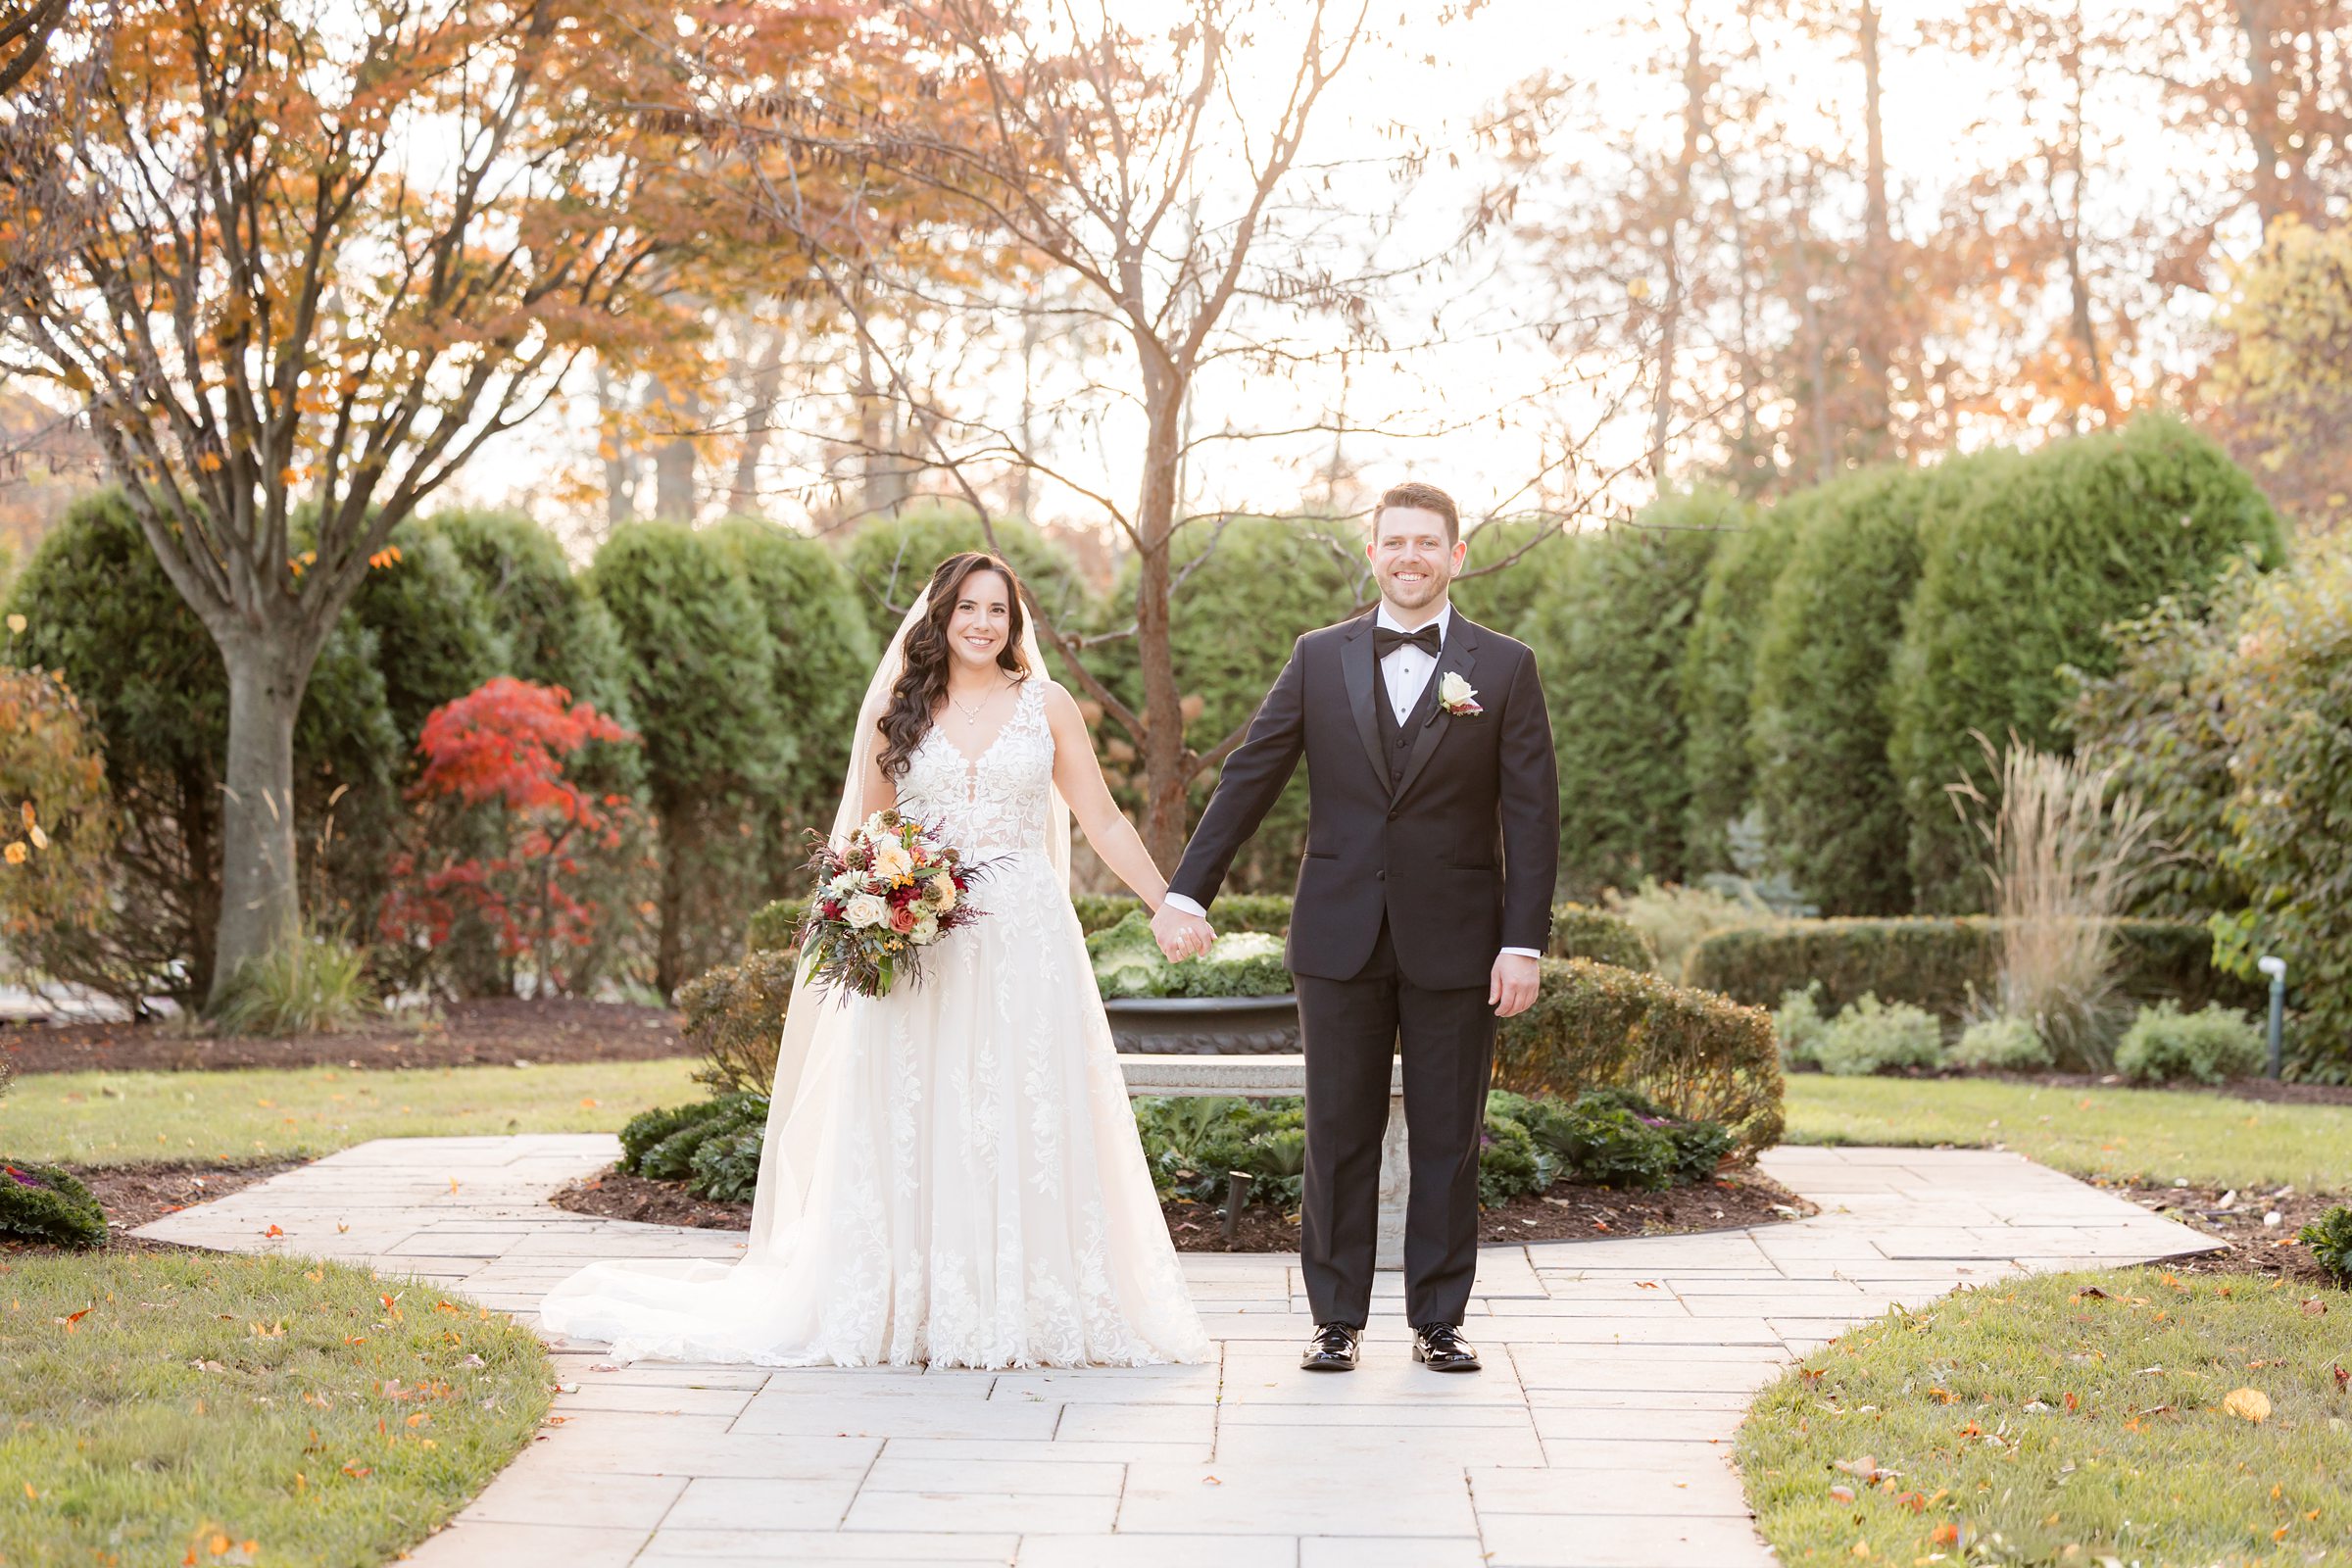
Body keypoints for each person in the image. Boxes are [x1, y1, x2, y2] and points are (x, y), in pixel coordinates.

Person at [539, 552, 1209, 1369]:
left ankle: (1029, 1303)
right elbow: (865, 836)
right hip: (924, 942)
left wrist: (1165, 900)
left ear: (1015, 622)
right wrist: (877, 906)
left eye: (998, 610)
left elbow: (1102, 821)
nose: (982, 623)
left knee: (1021, 1110)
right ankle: (915, 1302)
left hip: (1027, 944)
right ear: (940, 614)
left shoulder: (1048, 704)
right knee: (919, 1111)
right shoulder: (901, 708)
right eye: (967, 607)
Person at [1152, 480, 1559, 1375]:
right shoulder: (1318, 656)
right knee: (1338, 1131)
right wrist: (1189, 891)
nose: (1410, 557)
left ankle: (1439, 1319)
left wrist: (1522, 942)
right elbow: (1250, 777)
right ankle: (1335, 1317)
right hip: (1338, 936)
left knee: (1450, 1136)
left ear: (1457, 557)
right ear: (1371, 554)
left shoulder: (1505, 667)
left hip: (1459, 939)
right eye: (1395, 542)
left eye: (1428, 543)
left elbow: (1532, 817)